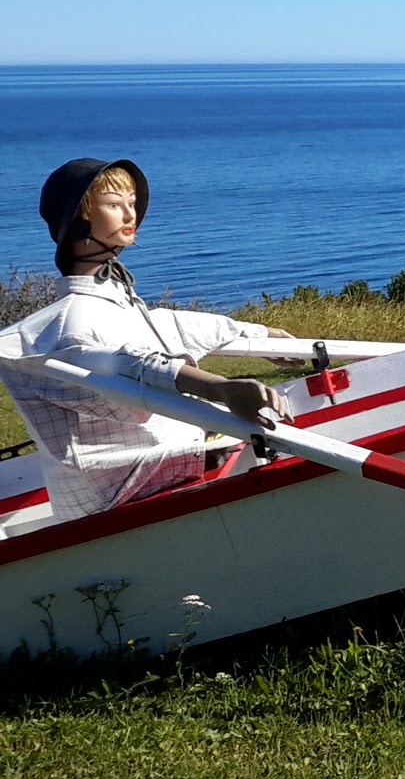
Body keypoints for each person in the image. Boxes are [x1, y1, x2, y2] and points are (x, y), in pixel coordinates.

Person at [0, 158, 292, 520]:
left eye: (132, 203)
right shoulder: (71, 322)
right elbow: (124, 367)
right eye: (113, 204)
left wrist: (262, 336)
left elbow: (172, 326)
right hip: (114, 499)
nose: (129, 214)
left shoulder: (114, 303)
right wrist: (221, 389)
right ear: (77, 218)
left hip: (153, 471)